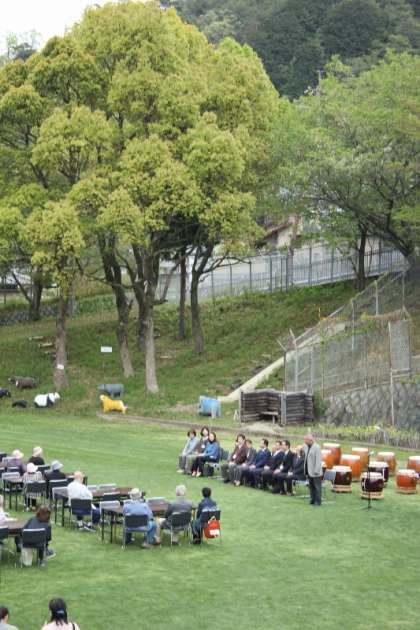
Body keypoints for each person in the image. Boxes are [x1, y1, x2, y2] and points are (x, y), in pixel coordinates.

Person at [303, 433, 323, 506]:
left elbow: (318, 460)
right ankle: (312, 500)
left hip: (315, 472)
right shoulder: (307, 446)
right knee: (311, 487)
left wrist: (316, 471)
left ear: (310, 440)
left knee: (317, 487)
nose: (305, 442)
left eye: (306, 440)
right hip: (309, 471)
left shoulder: (317, 447)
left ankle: (318, 501)